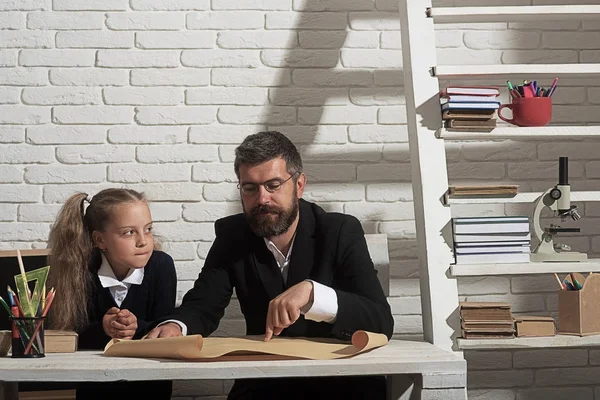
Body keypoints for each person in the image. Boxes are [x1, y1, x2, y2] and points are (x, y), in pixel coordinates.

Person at [147, 131, 394, 400]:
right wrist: (176, 326)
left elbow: (380, 321)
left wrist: (314, 294)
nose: (262, 199)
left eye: (273, 185)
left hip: (341, 385)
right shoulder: (233, 235)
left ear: (299, 185)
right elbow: (203, 305)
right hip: (265, 384)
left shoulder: (340, 231)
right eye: (250, 188)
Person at [47, 188, 177, 400]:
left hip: (150, 386)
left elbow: (165, 328)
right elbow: (71, 336)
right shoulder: (79, 271)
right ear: (100, 240)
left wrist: (137, 327)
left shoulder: (161, 266)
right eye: (129, 232)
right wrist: (105, 329)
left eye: (148, 229)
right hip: (96, 388)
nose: (143, 241)